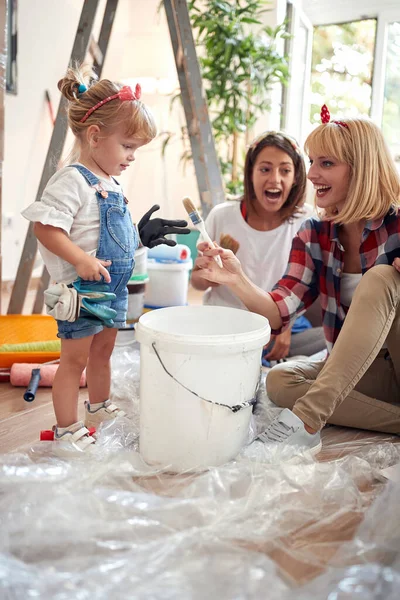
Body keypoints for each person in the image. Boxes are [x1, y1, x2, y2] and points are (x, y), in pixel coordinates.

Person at [195, 105, 400, 454]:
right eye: (312, 161)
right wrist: (237, 279)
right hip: (364, 370)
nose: (313, 174)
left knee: (381, 278)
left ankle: (307, 419)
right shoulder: (315, 233)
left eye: (327, 164)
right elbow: (279, 311)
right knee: (279, 380)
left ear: (362, 169)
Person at [22, 65, 190, 451]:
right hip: (82, 290)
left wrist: (139, 240)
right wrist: (80, 259)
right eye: (128, 146)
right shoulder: (72, 180)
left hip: (111, 288)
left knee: (104, 351)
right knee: (74, 361)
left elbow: (110, 235)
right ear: (95, 136)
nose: (132, 156)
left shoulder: (111, 182)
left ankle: (98, 407)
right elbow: (45, 229)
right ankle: (67, 428)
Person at [190, 131, 326, 362]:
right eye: (265, 169)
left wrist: (284, 325)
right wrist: (206, 275)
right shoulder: (222, 216)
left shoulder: (307, 223)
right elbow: (197, 283)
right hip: (225, 325)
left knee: (334, 339)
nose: (275, 179)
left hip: (286, 326)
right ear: (250, 174)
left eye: (285, 170)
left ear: (296, 177)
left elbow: (308, 291)